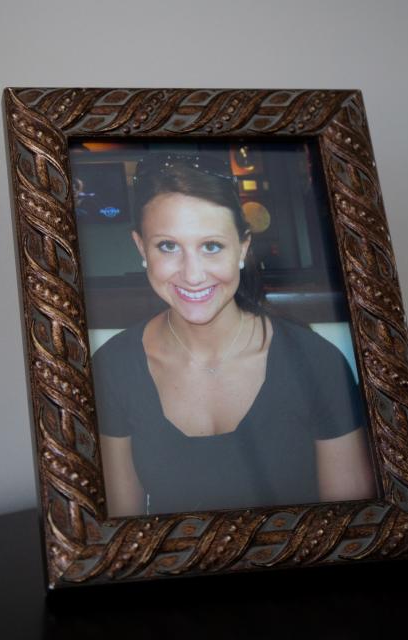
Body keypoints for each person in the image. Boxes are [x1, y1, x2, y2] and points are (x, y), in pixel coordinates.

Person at [93, 153, 375, 516]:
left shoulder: (318, 363)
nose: (192, 275)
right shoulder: (113, 369)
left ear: (242, 248)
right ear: (140, 248)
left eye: (211, 246)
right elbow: (122, 533)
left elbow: (352, 531)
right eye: (168, 246)